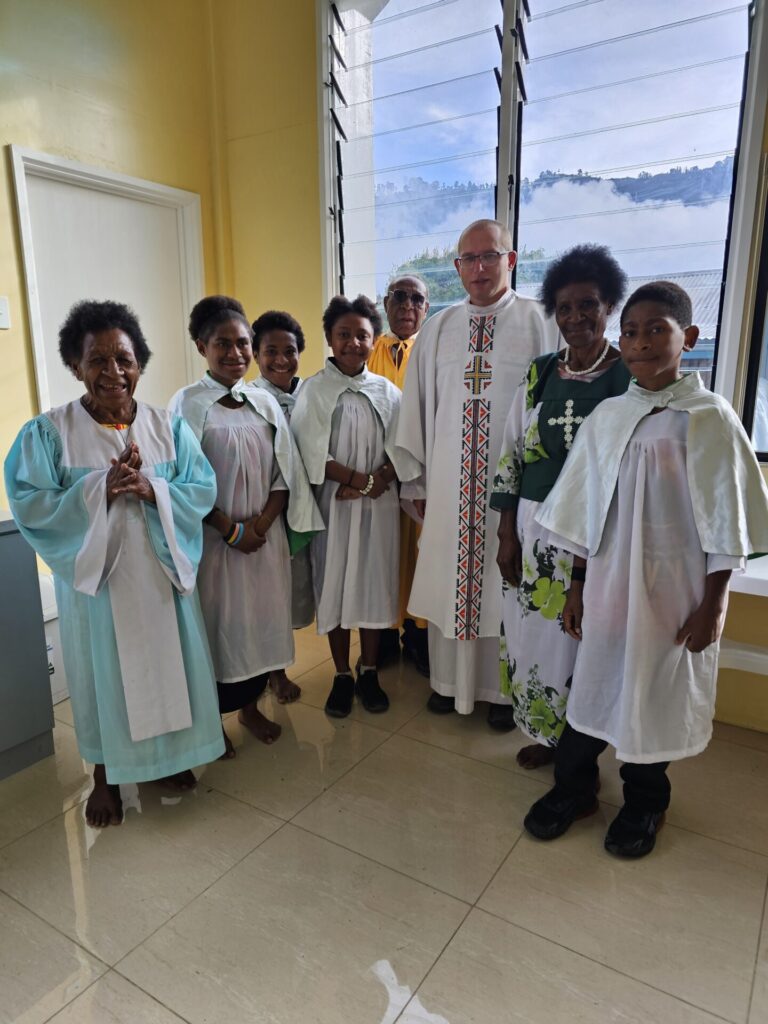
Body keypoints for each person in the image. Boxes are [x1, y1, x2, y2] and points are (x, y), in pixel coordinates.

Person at [524, 281, 768, 858]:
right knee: (592, 687)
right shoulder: (610, 416)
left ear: (689, 337)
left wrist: (714, 604)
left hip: (672, 591)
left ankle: (645, 803)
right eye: (630, 332)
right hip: (608, 584)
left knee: (651, 696)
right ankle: (575, 789)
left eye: (656, 330)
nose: (640, 343)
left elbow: (726, 522)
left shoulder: (709, 419)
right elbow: (584, 510)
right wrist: (577, 586)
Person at [4, 300, 225, 827]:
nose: (113, 372)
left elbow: (202, 488)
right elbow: (31, 502)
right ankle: (104, 775)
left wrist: (153, 489)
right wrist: (98, 488)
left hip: (159, 576)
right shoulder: (49, 433)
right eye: (97, 360)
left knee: (168, 669)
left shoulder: (167, 426)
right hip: (99, 586)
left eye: (124, 359)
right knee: (102, 679)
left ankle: (168, 759)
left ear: (139, 361)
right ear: (74, 365)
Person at [395, 218, 558, 728]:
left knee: (504, 585)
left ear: (511, 259)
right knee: (451, 582)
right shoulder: (438, 328)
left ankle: (502, 695)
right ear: (457, 266)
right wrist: (417, 482)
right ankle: (447, 685)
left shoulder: (541, 322)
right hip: (448, 487)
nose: (480, 267)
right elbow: (417, 408)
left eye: (490, 256)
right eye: (469, 258)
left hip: (513, 492)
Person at [491, 245, 630, 768]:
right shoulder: (541, 373)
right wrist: (506, 533)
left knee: (583, 641)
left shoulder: (627, 378)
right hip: (532, 530)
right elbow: (511, 453)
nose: (575, 318)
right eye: (565, 307)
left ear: (609, 305)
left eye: (588, 305)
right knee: (534, 638)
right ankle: (548, 736)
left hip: (595, 534)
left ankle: (581, 753)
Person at [169, 296, 322, 755]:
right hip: (215, 544)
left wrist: (263, 524)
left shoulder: (263, 401)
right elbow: (180, 481)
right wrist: (231, 529)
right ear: (202, 347)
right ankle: (212, 721)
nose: (235, 353)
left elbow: (285, 471)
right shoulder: (187, 405)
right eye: (223, 344)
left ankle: (250, 708)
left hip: (263, 540)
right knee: (220, 628)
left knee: (259, 624)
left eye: (242, 344)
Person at [291, 294, 420, 718]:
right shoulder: (314, 390)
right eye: (343, 334)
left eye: (362, 335)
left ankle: (369, 670)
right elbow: (310, 452)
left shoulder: (387, 391)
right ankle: (342, 674)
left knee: (372, 583)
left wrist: (375, 482)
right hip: (334, 506)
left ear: (373, 339)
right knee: (335, 583)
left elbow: (404, 446)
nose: (352, 343)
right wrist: (357, 481)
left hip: (378, 506)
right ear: (329, 338)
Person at [368, 274, 431, 675]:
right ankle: (384, 637)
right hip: (376, 475)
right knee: (382, 554)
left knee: (420, 554)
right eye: (400, 297)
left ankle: (420, 638)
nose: (408, 305)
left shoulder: (435, 350)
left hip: (421, 473)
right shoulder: (366, 347)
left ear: (427, 308)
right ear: (386, 303)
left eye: (417, 299)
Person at [252, 309, 314, 701]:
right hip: (269, 507)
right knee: (269, 596)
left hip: (306, 505)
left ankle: (278, 665)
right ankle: (272, 674)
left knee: (293, 592)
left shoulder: (309, 393)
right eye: (270, 351)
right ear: (255, 355)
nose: (281, 359)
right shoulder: (250, 399)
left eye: (289, 351)